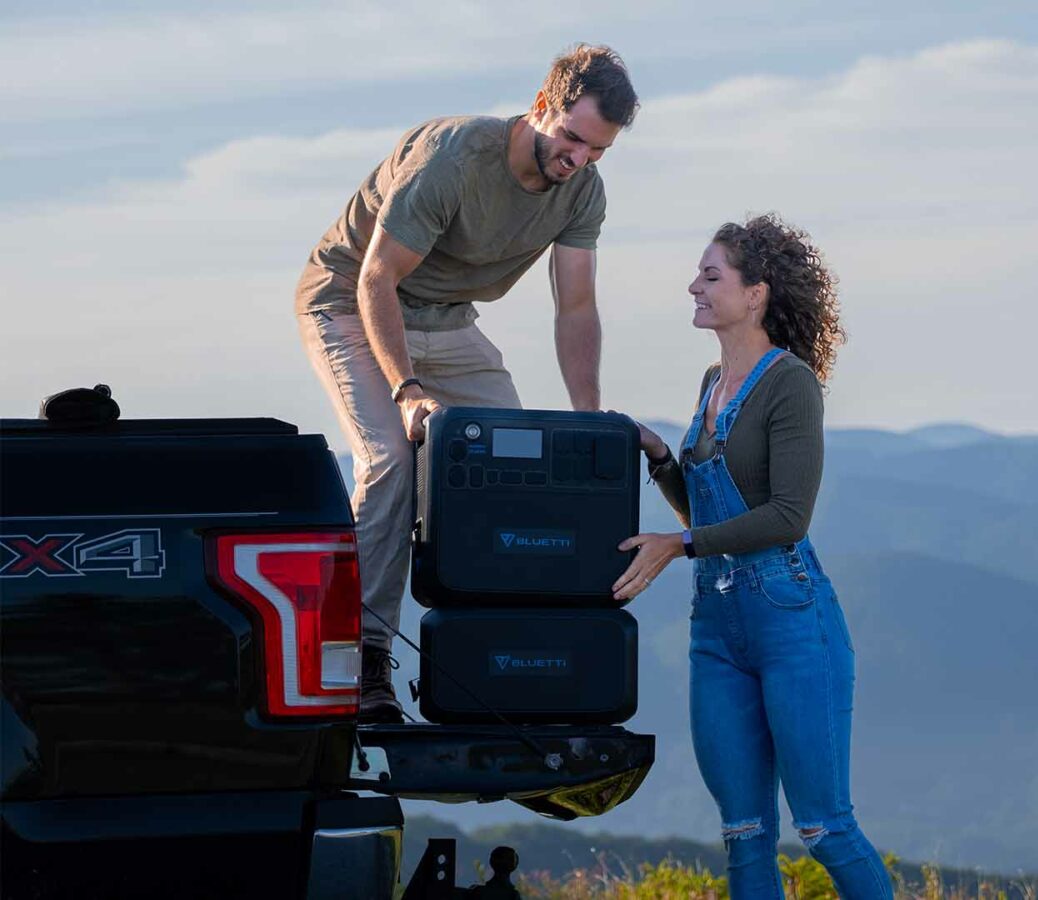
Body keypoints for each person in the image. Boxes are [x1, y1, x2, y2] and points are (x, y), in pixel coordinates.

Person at [295, 45, 638, 722]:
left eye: (595, 152)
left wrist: (589, 417)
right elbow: (375, 279)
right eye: (570, 139)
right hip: (349, 304)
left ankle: (504, 661)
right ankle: (360, 664)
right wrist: (407, 390)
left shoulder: (582, 191)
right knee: (392, 461)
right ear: (541, 107)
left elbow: (575, 306)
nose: (577, 161)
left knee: (522, 469)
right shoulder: (453, 158)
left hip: (449, 322)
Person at [614, 215, 894, 899]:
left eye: (711, 276)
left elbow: (786, 518)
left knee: (825, 827)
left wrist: (677, 545)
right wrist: (657, 455)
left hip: (791, 619)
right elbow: (709, 513)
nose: (694, 287)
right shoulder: (712, 381)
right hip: (716, 629)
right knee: (744, 835)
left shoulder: (790, 384)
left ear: (756, 294)